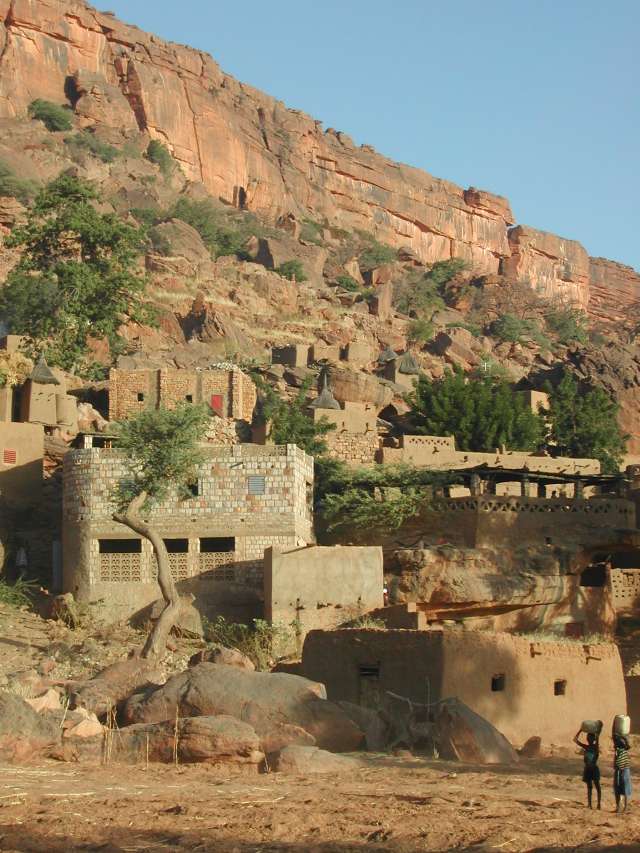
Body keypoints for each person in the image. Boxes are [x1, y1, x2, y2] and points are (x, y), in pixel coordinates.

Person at [574, 728, 601, 809]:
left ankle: (598, 804)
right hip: (588, 769)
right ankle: (589, 804)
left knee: (597, 786)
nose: (589, 739)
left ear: (594, 739)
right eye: (588, 738)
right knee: (589, 787)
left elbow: (597, 739)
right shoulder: (586, 747)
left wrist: (597, 734)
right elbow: (575, 740)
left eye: (590, 738)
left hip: (594, 769)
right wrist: (580, 730)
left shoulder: (595, 747)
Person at [613, 734, 632, 813]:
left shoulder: (621, 750)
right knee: (620, 789)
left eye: (616, 742)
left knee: (622, 789)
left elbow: (628, 744)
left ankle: (622, 808)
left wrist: (622, 736)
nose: (615, 744)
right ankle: (621, 807)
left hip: (623, 771)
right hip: (621, 770)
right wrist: (621, 736)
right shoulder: (620, 750)